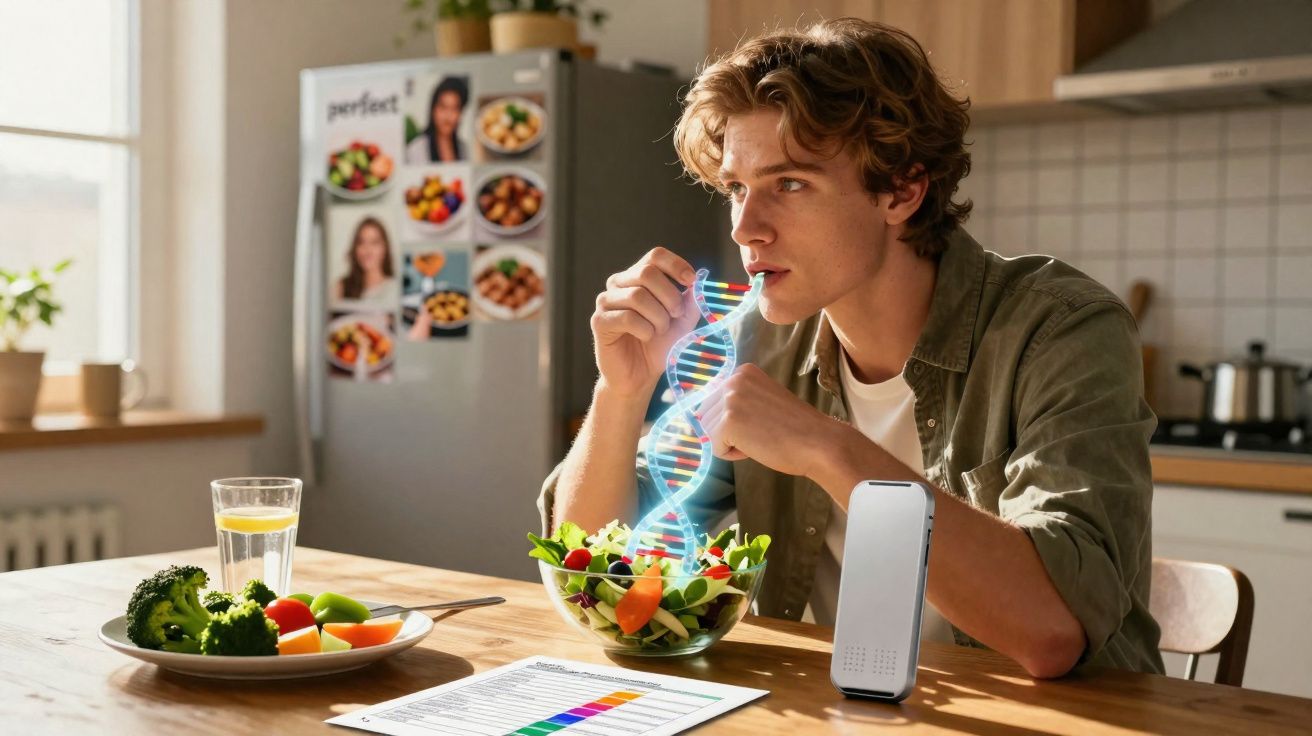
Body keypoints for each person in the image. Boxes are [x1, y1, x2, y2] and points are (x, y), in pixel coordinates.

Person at [537, 18, 1164, 679]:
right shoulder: (754, 338)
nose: (747, 228)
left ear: (902, 189)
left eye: (790, 185)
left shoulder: (1060, 330)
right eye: (737, 189)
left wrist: (825, 447)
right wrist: (622, 391)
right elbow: (593, 570)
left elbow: (1050, 635)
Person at [333, 216, 397, 304]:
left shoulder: (395, 289)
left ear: (385, 248)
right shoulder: (341, 288)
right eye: (361, 243)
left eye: (374, 242)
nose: (367, 250)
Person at [407, 76, 468, 163]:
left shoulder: (464, 150)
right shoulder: (416, 149)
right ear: (433, 109)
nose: (448, 115)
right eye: (443, 107)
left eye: (454, 108)